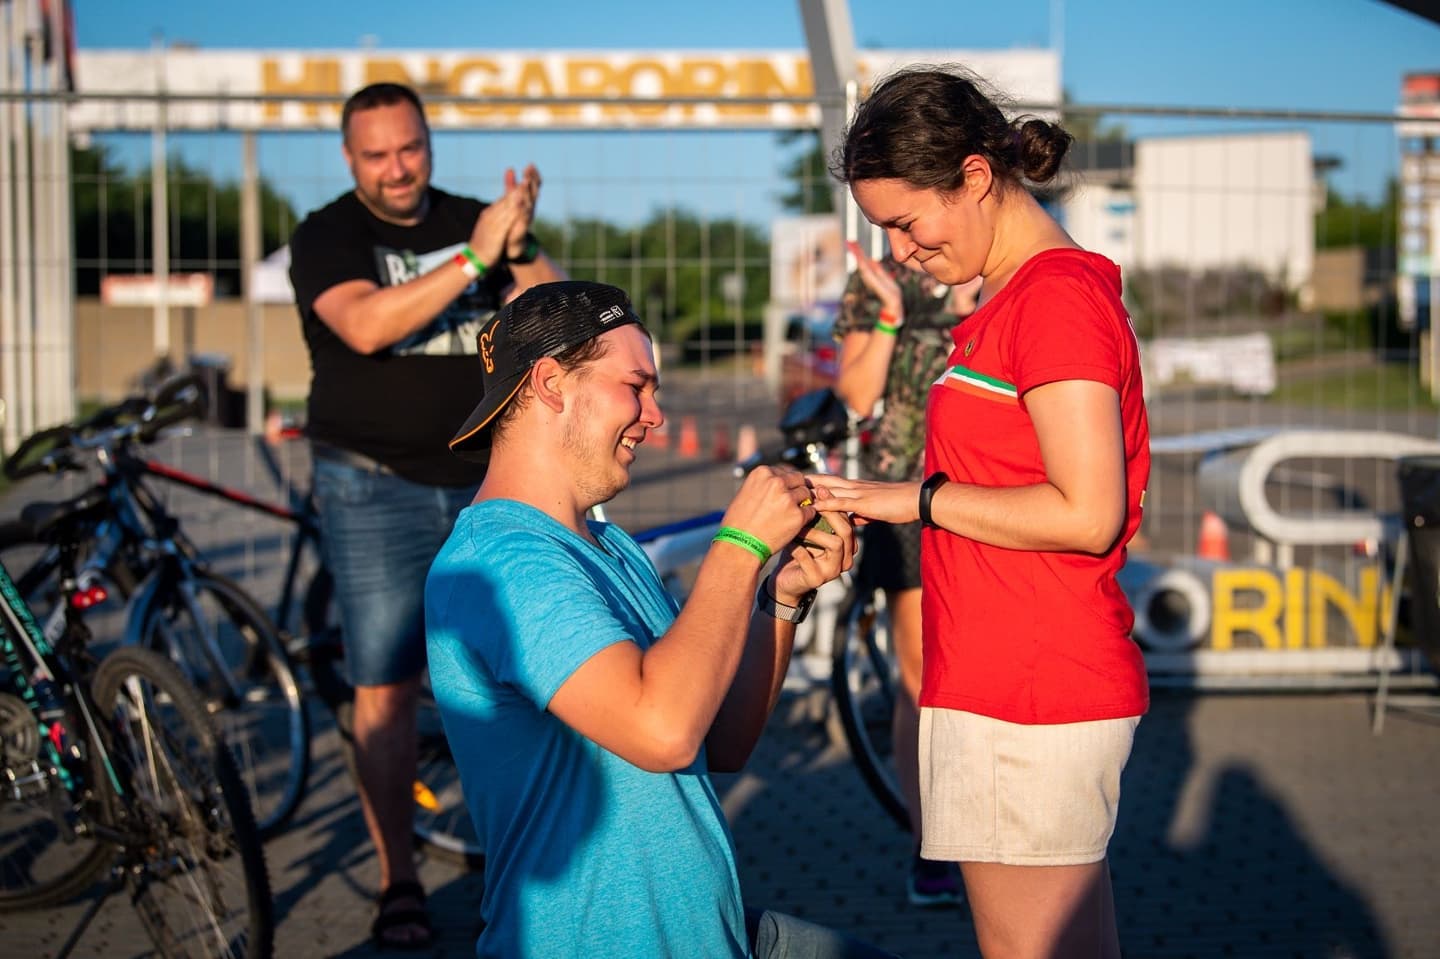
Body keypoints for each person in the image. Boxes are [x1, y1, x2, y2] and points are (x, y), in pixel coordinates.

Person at [425, 280, 896, 959]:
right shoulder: (503, 562)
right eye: (636, 386)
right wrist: (739, 547)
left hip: (710, 932)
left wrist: (780, 593)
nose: (657, 417)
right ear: (552, 383)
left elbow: (720, 738)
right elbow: (663, 730)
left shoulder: (609, 546)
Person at [811, 66, 1151, 959]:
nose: (901, 251)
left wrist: (915, 499)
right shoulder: (1014, 299)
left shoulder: (1054, 299)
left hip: (1030, 685)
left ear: (972, 176)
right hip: (1008, 678)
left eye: (905, 223)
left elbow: (1088, 511)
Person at [286, 81, 565, 950]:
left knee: (528, 672)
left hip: (488, 480)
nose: (397, 168)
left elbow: (555, 317)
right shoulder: (328, 234)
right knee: (386, 683)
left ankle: (531, 858)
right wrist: (473, 261)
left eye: (409, 148)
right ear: (348, 157)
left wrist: (515, 249)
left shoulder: (474, 220)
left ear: (427, 142)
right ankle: (399, 879)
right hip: (373, 485)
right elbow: (366, 325)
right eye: (376, 154)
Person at [831, 245, 979, 907]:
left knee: (986, 668)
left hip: (987, 491)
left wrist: (974, 304)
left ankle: (995, 831)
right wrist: (890, 315)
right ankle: (931, 847)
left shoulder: (991, 261)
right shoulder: (874, 282)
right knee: (922, 677)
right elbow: (857, 395)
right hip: (901, 497)